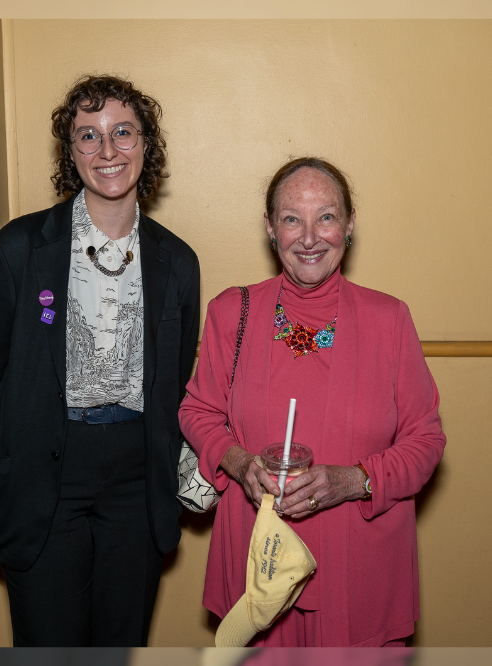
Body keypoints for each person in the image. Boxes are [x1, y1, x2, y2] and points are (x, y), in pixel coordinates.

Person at [0, 75, 200, 647]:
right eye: (88, 136)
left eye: (123, 132)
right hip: (45, 473)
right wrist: (7, 451)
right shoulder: (17, 250)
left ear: (147, 143)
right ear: (70, 153)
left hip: (136, 476)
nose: (108, 150)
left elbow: (175, 382)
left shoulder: (177, 261)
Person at [179, 157, 446, 647]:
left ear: (348, 226)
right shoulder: (229, 313)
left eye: (325, 217)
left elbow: (426, 440)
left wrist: (355, 480)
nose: (309, 237)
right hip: (257, 567)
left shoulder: (390, 320)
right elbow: (197, 411)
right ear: (269, 227)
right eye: (291, 218)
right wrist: (239, 463)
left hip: (359, 569)